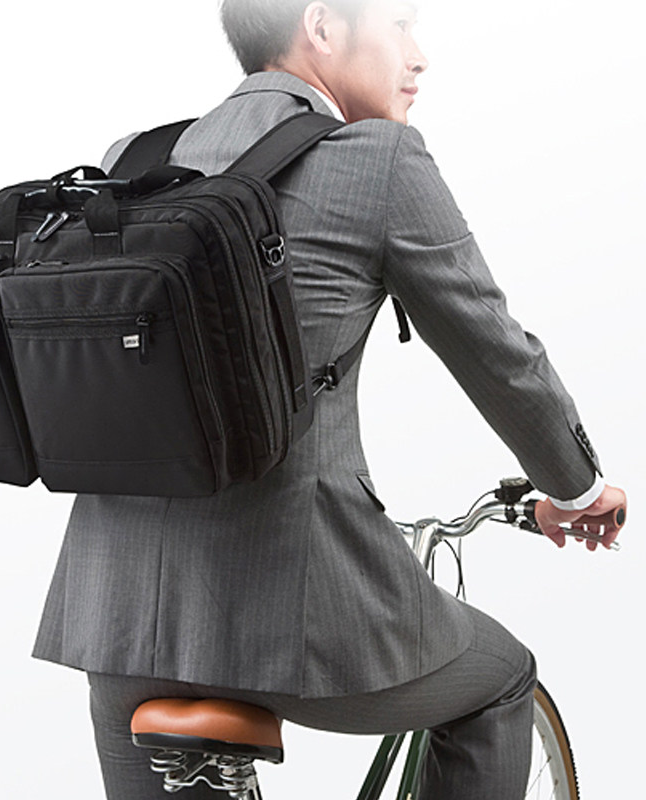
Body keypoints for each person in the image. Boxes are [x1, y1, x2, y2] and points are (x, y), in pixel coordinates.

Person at [32, 1, 627, 797]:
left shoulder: (133, 160)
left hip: (114, 614)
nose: (418, 55)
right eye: (400, 24)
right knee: (502, 679)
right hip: (296, 619)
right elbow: (497, 355)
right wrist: (576, 489)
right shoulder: (376, 160)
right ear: (320, 25)